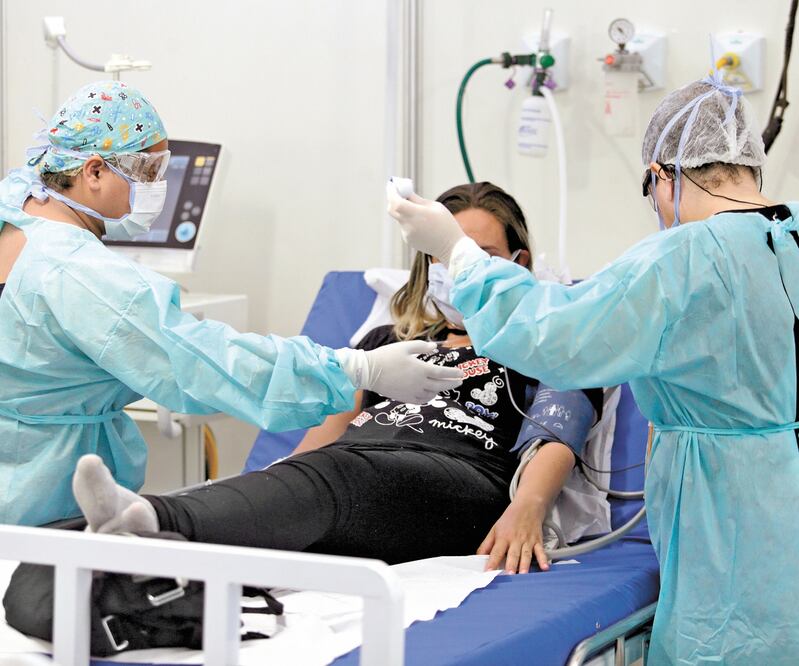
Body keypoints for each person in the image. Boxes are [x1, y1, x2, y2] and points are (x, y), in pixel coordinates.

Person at [387, 74, 799, 664]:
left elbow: (552, 335)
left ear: (662, 175)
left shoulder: (683, 257)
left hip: (730, 512)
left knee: (731, 645)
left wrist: (457, 253)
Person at [71, 182, 603, 575]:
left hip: (459, 481)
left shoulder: (544, 344)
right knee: (308, 485)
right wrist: (269, 483)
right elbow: (319, 443)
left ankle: (149, 519)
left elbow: (559, 431)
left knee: (336, 480)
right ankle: (93, 550)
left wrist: (527, 508)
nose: (457, 272)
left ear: (518, 262)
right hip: (352, 472)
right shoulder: (382, 345)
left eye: (480, 257)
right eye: (443, 256)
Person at [0, 80, 462, 527]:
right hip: (34, 495)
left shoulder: (16, 208)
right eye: (147, 172)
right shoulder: (81, 275)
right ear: (94, 171)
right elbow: (215, 363)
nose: (157, 188)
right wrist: (359, 369)